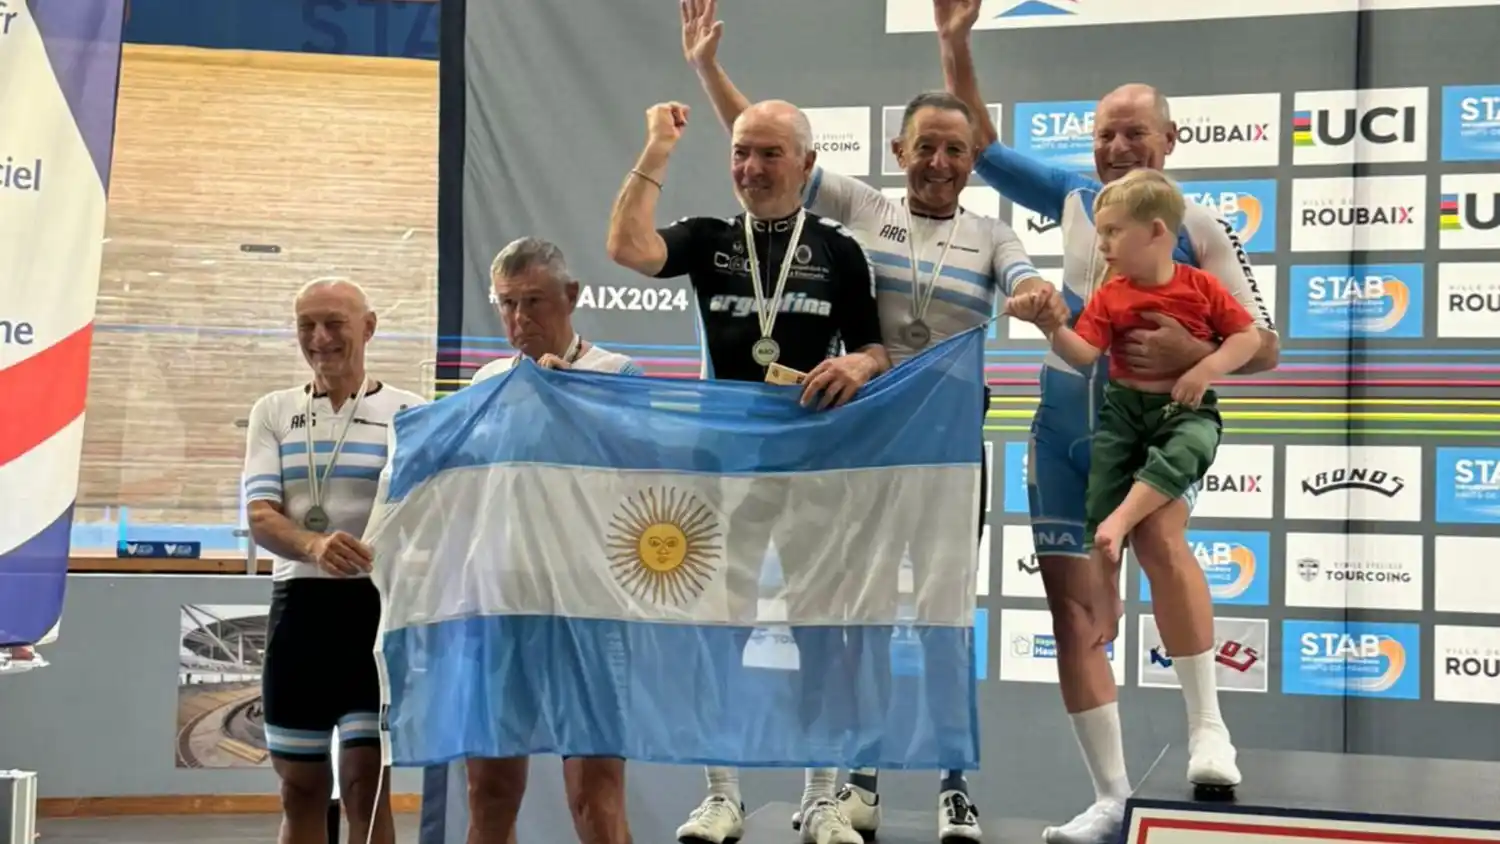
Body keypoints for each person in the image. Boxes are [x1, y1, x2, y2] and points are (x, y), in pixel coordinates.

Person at [673, 2, 1065, 841]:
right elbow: (769, 152)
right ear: (899, 152)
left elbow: (1027, 276)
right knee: (852, 616)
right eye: (923, 145)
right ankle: (858, 783)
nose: (937, 160)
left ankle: (955, 786)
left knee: (943, 615)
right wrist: (708, 70)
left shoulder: (993, 233)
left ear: (971, 162)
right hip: (859, 452)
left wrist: (1035, 295)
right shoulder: (866, 211)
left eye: (954, 149)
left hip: (949, 456)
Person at [931, 2, 1281, 842]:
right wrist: (955, 42)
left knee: (1160, 543)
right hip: (1060, 419)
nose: (1120, 149)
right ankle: (1110, 799)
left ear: (1170, 141)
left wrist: (1196, 352)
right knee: (1074, 613)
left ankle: (1209, 732)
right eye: (1106, 136)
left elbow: (1263, 345)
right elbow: (980, 146)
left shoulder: (1198, 227)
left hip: (1152, 421)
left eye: (1136, 135)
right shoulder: (1073, 195)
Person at [605, 98, 890, 844]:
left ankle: (824, 798)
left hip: (812, 468)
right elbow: (628, 248)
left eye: (768, 154)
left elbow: (875, 349)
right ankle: (721, 796)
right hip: (721, 468)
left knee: (823, 633)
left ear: (804, 163)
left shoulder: (839, 249)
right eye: (740, 152)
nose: (750, 168)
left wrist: (858, 362)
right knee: (717, 631)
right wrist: (657, 148)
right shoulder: (708, 239)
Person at [463, 236, 641, 844]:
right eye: (506, 303)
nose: (519, 319)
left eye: (534, 301)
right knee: (488, 794)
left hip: (588, 611)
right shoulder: (484, 382)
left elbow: (647, 483)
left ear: (571, 297)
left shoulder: (617, 376)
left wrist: (574, 405)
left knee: (594, 796)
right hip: (500, 608)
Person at [243, 277, 426, 844]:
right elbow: (261, 513)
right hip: (299, 611)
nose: (320, 338)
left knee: (364, 788)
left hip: (375, 612)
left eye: (334, 324)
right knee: (298, 788)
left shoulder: (410, 412)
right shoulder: (274, 411)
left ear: (367, 328)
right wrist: (314, 545)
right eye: (307, 326)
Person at [1048, 170, 1260, 618]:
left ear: (1156, 232)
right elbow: (1085, 353)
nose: (1102, 243)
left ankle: (1121, 521)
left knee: (1189, 449)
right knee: (1101, 486)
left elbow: (1249, 339)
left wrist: (1204, 369)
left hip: (1185, 409)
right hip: (1123, 410)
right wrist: (1051, 327)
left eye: (1113, 231)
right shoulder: (1110, 295)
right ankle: (1105, 588)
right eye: (1100, 231)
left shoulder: (1201, 286)